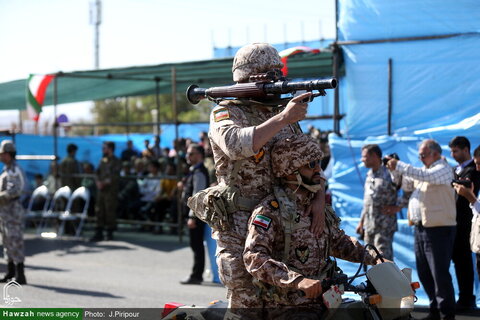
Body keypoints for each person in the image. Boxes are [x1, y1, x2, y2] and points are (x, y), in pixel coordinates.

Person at [205, 43, 326, 310]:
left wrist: (319, 198)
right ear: (249, 78)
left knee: (287, 304)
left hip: (283, 223)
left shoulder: (282, 112)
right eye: (268, 75)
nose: (276, 81)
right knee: (246, 303)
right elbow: (235, 145)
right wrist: (283, 118)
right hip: (238, 223)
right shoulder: (227, 111)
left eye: (277, 74)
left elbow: (307, 160)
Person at [244, 134, 382, 317]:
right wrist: (298, 281)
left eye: (319, 162)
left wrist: (375, 258)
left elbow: (339, 242)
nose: (319, 170)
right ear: (290, 169)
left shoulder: (316, 208)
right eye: (310, 165)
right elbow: (254, 257)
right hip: (288, 307)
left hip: (326, 302)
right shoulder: (270, 211)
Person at [386, 139, 456, 320]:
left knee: (439, 273)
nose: (420, 158)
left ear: (435, 153)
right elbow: (407, 185)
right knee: (425, 272)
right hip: (422, 228)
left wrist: (400, 165)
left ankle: (446, 313)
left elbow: (426, 177)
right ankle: (435, 310)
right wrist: (395, 170)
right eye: (420, 155)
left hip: (439, 229)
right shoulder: (424, 172)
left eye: (423, 155)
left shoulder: (443, 169)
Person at [448, 136, 480, 311]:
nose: (453, 155)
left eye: (456, 151)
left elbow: (471, 192)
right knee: (458, 261)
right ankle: (463, 297)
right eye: (452, 151)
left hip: (468, 221)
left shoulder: (474, 170)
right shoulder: (455, 169)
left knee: (465, 261)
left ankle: (468, 298)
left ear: (465, 149)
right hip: (453, 222)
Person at [355, 144, 398, 260]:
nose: (362, 160)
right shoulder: (369, 175)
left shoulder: (389, 173)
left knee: (384, 259)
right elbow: (367, 201)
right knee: (370, 257)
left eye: (365, 157)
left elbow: (409, 190)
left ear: (374, 156)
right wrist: (361, 222)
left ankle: (389, 279)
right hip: (369, 225)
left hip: (384, 225)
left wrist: (398, 207)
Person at [180, 144, 209, 284]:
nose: (188, 156)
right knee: (195, 245)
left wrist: (192, 216)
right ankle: (196, 274)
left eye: (191, 154)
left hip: (196, 216)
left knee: (197, 246)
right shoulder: (194, 171)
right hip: (194, 215)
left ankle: (196, 275)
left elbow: (197, 196)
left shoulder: (199, 172)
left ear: (199, 155)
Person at [0, 140, 27, 284]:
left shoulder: (15, 170)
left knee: (15, 240)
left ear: (10, 154)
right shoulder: (7, 169)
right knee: (6, 240)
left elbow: (16, 190)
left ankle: (20, 274)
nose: (1, 156)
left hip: (12, 209)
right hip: (5, 211)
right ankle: (10, 272)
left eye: (4, 154)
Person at [90, 141, 122, 242]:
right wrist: (98, 182)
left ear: (110, 149)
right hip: (101, 190)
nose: (103, 149)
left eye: (105, 148)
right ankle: (98, 232)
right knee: (99, 210)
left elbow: (115, 176)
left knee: (110, 210)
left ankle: (109, 232)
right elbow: (97, 173)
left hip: (110, 190)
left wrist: (104, 183)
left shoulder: (116, 161)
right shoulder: (102, 160)